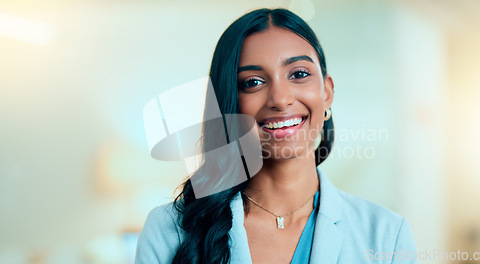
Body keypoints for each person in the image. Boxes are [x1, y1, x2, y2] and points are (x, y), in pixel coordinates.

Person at [135, 8, 418, 264]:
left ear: (327, 92)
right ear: (228, 104)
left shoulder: (387, 236)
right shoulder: (169, 230)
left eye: (298, 74)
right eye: (253, 82)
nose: (280, 100)